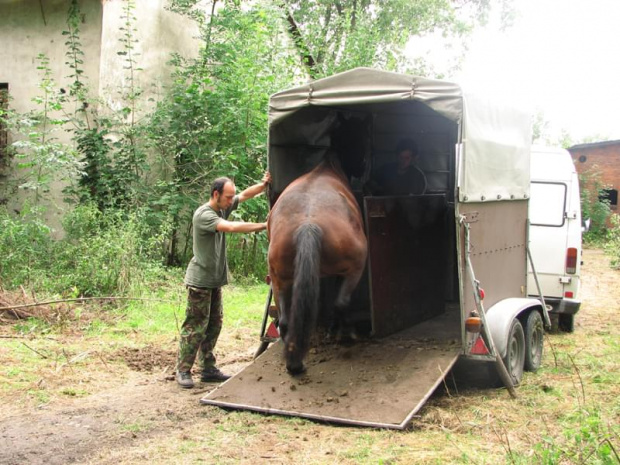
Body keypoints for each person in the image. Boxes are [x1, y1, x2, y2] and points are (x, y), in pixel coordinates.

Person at [176, 172, 271, 389]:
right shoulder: (204, 215)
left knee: (214, 325)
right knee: (195, 326)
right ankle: (183, 369)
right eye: (228, 197)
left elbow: (245, 195)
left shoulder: (222, 206)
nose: (231, 201)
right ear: (216, 194)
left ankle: (208, 368)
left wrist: (263, 185)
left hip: (214, 280)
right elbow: (231, 228)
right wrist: (265, 225)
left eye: (231, 197)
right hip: (200, 281)